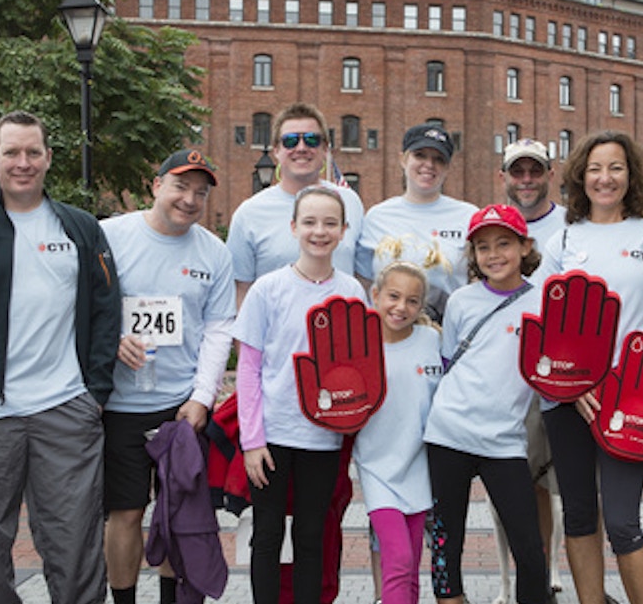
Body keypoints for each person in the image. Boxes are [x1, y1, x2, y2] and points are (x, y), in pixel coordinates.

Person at [0, 110, 121, 604]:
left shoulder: (81, 229)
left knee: (75, 542)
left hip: (65, 409)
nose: (23, 162)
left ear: (48, 158)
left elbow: (106, 312)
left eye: (33, 152)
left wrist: (95, 393)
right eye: (12, 152)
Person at [535, 131, 643, 604]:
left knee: (623, 522)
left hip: (634, 394)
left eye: (616, 168)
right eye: (596, 169)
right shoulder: (562, 238)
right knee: (580, 515)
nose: (605, 178)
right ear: (581, 176)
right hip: (568, 400)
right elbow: (542, 323)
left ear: (631, 176)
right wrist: (568, 383)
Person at [100, 149, 235, 604]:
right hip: (119, 403)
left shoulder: (214, 251)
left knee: (179, 513)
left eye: (200, 192)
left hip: (180, 406)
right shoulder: (110, 236)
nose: (190, 199)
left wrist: (202, 397)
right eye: (180, 186)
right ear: (155, 186)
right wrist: (110, 338)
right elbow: (81, 304)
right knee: (124, 511)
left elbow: (219, 328)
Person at [234, 185, 368, 604]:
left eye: (330, 223)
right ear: (293, 227)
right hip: (273, 434)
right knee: (268, 533)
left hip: (323, 436)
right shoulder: (267, 289)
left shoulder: (352, 292)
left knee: (312, 534)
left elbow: (360, 371)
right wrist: (252, 441)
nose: (319, 231)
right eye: (309, 222)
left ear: (344, 231)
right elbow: (249, 370)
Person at [424, 204, 552, 604]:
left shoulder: (543, 303)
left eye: (503, 244)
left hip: (505, 441)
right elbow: (447, 362)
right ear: (473, 255)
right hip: (449, 433)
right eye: (482, 247)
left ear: (525, 246)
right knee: (446, 540)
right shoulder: (461, 300)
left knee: (529, 548)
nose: (493, 254)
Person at [496, 138, 566, 601]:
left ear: (548, 174)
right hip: (508, 378)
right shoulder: (496, 227)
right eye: (517, 172)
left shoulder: (571, 226)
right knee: (514, 489)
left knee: (563, 490)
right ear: (505, 177)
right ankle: (513, 580)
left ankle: (554, 566)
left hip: (561, 378)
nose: (526, 180)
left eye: (534, 171)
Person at [353, 262, 443, 604]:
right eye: (393, 296)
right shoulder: (358, 343)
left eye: (412, 301)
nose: (400, 307)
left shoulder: (431, 340)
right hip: (377, 469)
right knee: (399, 559)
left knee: (412, 565)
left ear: (421, 307)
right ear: (375, 295)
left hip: (419, 467)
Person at [226, 103, 366, 305]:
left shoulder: (349, 202)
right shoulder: (249, 213)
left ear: (325, 148)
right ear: (276, 150)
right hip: (277, 334)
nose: (301, 148)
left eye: (311, 140)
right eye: (290, 141)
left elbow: (362, 276)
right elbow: (241, 291)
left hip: (340, 333)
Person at [355, 124, 477, 319]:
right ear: (403, 159)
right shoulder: (377, 217)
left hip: (447, 332)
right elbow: (364, 281)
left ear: (447, 167)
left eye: (439, 159)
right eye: (420, 155)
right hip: (389, 333)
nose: (429, 164)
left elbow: (478, 281)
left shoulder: (468, 216)